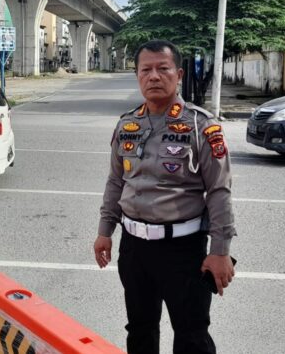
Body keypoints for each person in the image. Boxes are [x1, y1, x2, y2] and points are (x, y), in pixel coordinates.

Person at [93, 40, 236, 354]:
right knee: (140, 329)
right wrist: (105, 232)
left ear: (179, 74)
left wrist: (220, 250)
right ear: (137, 76)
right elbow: (116, 181)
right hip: (134, 250)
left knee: (192, 335)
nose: (154, 76)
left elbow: (219, 191)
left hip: (183, 250)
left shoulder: (201, 126)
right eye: (146, 70)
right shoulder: (127, 124)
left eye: (163, 68)